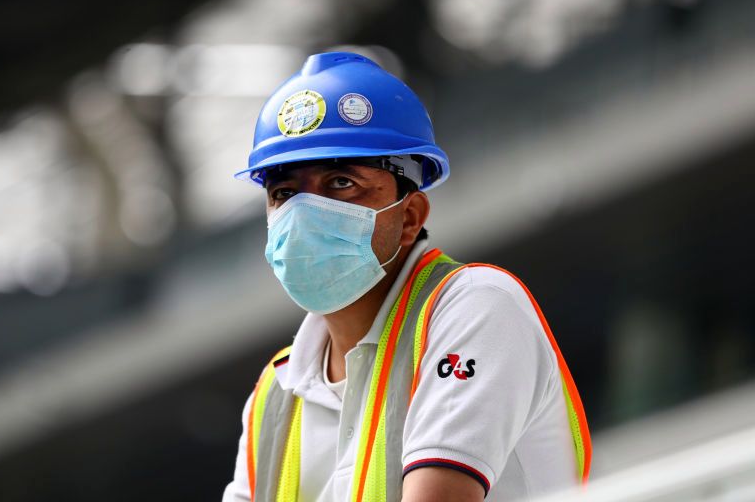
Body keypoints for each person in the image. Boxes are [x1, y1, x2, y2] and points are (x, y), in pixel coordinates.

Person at [222, 52, 591, 502]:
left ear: (410, 215)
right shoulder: (274, 396)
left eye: (341, 182)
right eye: (283, 193)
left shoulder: (477, 307)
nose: (302, 212)